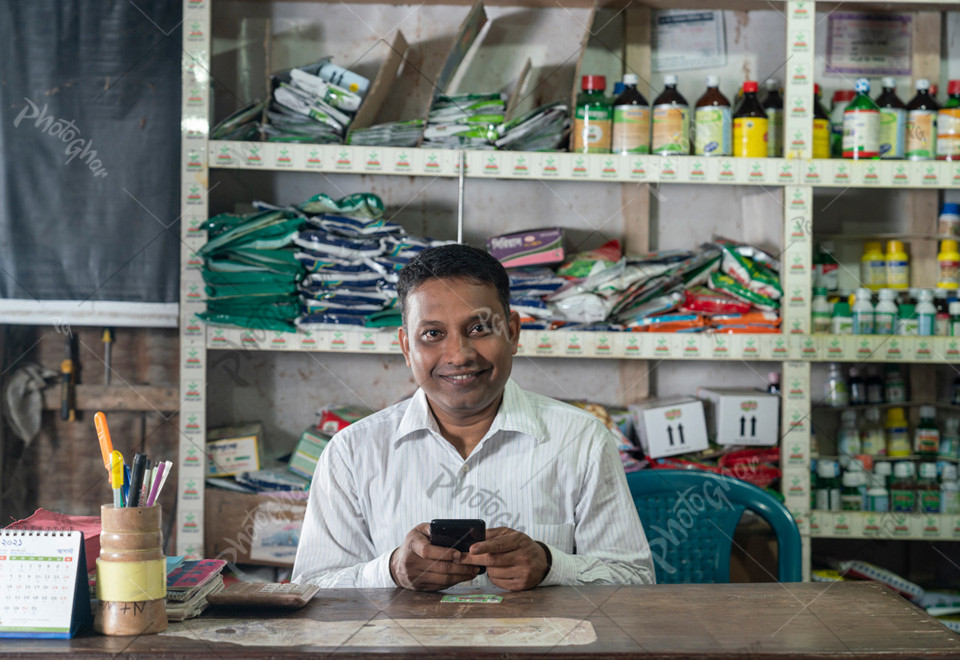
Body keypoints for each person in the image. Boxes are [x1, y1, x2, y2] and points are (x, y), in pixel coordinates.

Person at [292, 244, 655, 591]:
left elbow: (636, 582)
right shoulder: (352, 452)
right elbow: (311, 590)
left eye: (479, 329)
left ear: (512, 332)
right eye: (433, 334)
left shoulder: (581, 439)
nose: (459, 355)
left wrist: (550, 564)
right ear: (406, 346)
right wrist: (390, 570)